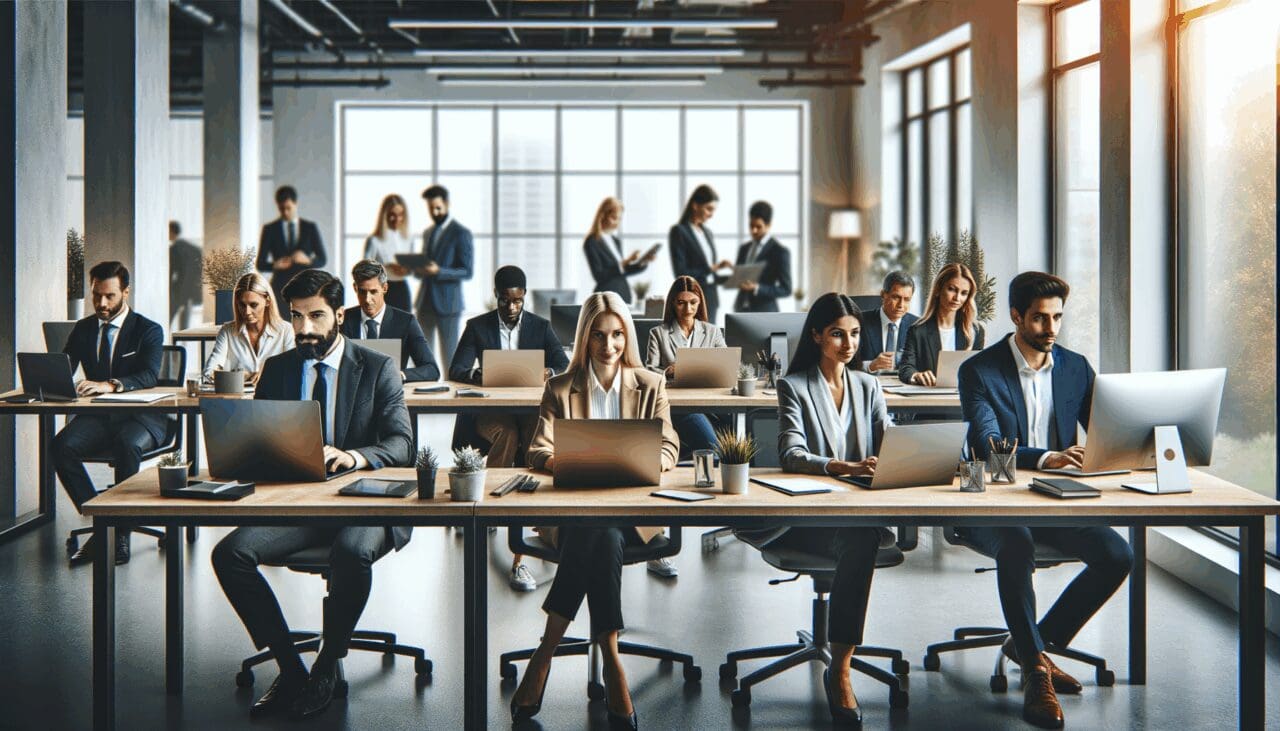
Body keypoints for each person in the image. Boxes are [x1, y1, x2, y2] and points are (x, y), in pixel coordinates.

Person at [211, 269, 414, 722]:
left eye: (317, 316)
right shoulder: (279, 370)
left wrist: (355, 456)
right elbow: (259, 440)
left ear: (340, 315)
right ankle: (291, 667)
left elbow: (403, 443)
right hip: (301, 505)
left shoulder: (377, 367)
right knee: (231, 554)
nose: (304, 329)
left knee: (350, 552)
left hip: (365, 505)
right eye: (297, 317)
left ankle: (327, 664)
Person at [957, 271, 1133, 730]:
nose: (1050, 327)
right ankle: (1037, 671)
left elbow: (1108, 432)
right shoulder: (979, 370)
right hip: (988, 501)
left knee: (1117, 554)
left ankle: (1031, 645)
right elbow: (986, 446)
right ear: (1016, 316)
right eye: (1039, 318)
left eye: (1056, 317)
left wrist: (1141, 442)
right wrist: (1048, 456)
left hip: (1053, 500)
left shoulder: (1075, 367)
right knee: (1016, 543)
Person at [512, 292, 679, 729]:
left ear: (628, 335)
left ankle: (546, 650)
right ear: (585, 337)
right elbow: (537, 449)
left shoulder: (651, 385)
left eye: (618, 334)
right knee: (597, 534)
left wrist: (650, 460)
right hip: (572, 515)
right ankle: (612, 657)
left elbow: (670, 445)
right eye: (600, 336)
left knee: (601, 533)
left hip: (631, 514)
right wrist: (562, 462)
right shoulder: (560, 388)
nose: (609, 345)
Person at [735, 292, 890, 726]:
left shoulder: (868, 384)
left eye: (856, 334)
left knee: (861, 535)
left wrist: (906, 457)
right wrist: (844, 466)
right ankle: (841, 670)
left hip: (858, 513)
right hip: (809, 519)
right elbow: (791, 453)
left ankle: (839, 662)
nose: (848, 343)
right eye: (838, 333)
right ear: (818, 335)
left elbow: (889, 439)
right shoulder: (795, 385)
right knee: (860, 541)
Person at [449, 265, 570, 592]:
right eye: (505, 301)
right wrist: (480, 375)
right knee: (509, 435)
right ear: (496, 297)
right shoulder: (478, 327)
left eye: (517, 301)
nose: (512, 308)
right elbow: (457, 368)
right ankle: (492, 502)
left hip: (529, 407)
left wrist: (548, 370)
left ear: (524, 297)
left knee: (536, 440)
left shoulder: (540, 327)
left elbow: (563, 364)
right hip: (493, 410)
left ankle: (531, 506)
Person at [53, 261, 165, 566]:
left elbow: (150, 375)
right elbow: (65, 366)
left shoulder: (148, 330)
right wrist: (60, 382)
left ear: (126, 292)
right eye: (96, 296)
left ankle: (121, 537)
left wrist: (111, 384)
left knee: (127, 445)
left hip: (143, 417)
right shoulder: (84, 328)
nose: (102, 304)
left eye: (110, 296)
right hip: (101, 417)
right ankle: (105, 526)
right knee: (61, 447)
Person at [340, 259, 440, 382]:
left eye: (373, 292)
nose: (367, 299)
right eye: (362, 291)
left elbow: (432, 369)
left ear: (385, 288)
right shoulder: (342, 320)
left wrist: (401, 375)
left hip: (390, 394)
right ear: (355, 288)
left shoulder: (406, 322)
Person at [413, 184, 473, 369]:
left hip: (448, 305)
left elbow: (466, 270)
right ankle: (424, 396)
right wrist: (417, 268)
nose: (435, 212)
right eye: (431, 209)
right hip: (425, 303)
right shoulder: (428, 232)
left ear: (447, 204)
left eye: (438, 207)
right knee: (423, 359)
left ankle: (450, 397)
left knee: (450, 359)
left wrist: (439, 271)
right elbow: (424, 264)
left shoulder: (461, 233)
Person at [898, 262, 985, 385]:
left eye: (964, 293)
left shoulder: (975, 330)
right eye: (952, 289)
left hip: (963, 398)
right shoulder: (917, 331)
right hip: (931, 398)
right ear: (938, 289)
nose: (957, 298)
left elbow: (979, 370)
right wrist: (916, 375)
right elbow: (906, 367)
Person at [202, 272, 295, 385]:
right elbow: (209, 372)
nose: (247, 312)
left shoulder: (286, 331)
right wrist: (240, 376)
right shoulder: (227, 331)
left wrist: (267, 374)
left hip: (274, 400)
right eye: (242, 305)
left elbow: (293, 371)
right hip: (238, 400)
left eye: (253, 305)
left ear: (267, 301)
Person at [256, 185, 327, 318]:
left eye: (288, 208)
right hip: (279, 289)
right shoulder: (269, 229)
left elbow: (323, 259)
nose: (285, 212)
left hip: (306, 288)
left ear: (296, 204)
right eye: (282, 209)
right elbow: (260, 264)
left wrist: (308, 260)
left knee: (304, 328)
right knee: (281, 329)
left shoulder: (310, 228)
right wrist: (275, 265)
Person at [669, 184, 733, 323]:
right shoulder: (679, 231)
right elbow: (681, 272)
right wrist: (711, 268)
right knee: (695, 343)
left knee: (710, 342)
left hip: (711, 298)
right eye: (709, 209)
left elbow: (710, 277)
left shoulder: (707, 233)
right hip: (692, 301)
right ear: (695, 205)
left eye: (713, 210)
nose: (711, 214)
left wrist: (734, 278)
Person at [583, 196, 656, 304]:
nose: (617, 222)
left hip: (624, 296)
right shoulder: (592, 241)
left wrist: (643, 261)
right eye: (614, 217)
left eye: (619, 219)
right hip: (606, 298)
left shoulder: (615, 241)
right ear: (602, 215)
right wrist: (625, 262)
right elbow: (599, 275)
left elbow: (622, 271)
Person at [733, 201, 793, 313]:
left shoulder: (780, 252)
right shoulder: (744, 249)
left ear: (769, 225)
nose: (753, 231)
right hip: (740, 310)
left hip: (765, 312)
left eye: (758, 227)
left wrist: (757, 288)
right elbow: (738, 279)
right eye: (751, 226)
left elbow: (786, 289)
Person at [362, 194, 415, 313]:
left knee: (404, 327)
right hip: (382, 290)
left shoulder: (408, 238)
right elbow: (364, 270)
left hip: (402, 288)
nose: (397, 219)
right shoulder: (375, 240)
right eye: (392, 215)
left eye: (401, 215)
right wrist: (386, 267)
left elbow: (411, 268)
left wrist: (407, 269)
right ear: (385, 215)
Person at [857, 270, 918, 372]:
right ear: (883, 294)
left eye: (907, 299)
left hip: (906, 384)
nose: (901, 305)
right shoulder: (860, 321)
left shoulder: (917, 325)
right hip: (869, 382)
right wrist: (871, 365)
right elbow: (847, 362)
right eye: (896, 297)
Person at [168, 220, 201, 330]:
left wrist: (169, 288)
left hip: (179, 288)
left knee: (170, 317)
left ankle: (174, 343)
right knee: (185, 322)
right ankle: (183, 342)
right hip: (191, 289)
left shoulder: (174, 249)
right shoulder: (194, 249)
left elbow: (171, 272)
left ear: (172, 232)